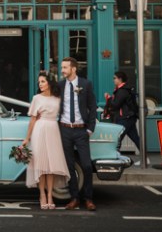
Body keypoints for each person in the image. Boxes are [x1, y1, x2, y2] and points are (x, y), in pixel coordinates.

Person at [23, 71, 70, 210]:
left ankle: (50, 195)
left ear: (49, 82)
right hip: (39, 129)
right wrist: (27, 138)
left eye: (43, 81)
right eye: (39, 82)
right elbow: (32, 120)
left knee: (51, 167)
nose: (40, 84)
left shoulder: (58, 98)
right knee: (41, 166)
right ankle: (42, 195)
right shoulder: (36, 98)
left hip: (53, 130)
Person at [58, 57, 97, 211]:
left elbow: (92, 107)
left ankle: (88, 199)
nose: (62, 70)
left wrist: (90, 128)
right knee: (69, 165)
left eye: (65, 67)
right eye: (62, 67)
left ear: (73, 69)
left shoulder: (85, 84)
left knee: (87, 165)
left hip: (81, 130)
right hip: (65, 129)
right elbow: (43, 93)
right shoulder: (60, 85)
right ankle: (74, 198)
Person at [105, 71, 141, 159]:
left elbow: (115, 105)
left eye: (114, 78)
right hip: (129, 117)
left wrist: (108, 99)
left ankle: (114, 157)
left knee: (117, 137)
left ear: (120, 79)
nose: (113, 80)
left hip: (124, 118)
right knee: (135, 138)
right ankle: (145, 158)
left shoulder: (122, 91)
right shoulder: (125, 89)